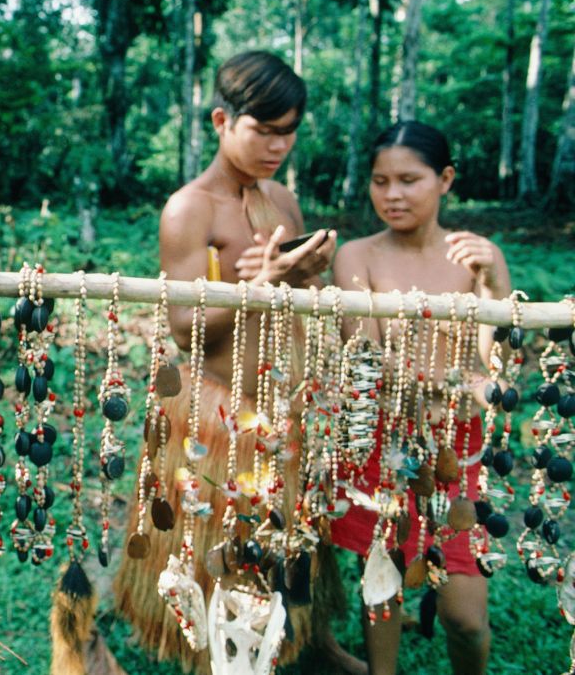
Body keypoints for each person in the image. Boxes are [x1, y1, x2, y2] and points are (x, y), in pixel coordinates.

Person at [112, 50, 342, 673]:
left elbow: (303, 300)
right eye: (262, 130)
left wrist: (309, 274)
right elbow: (184, 330)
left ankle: (308, 640)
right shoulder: (191, 208)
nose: (277, 146)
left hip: (280, 396)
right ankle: (217, 651)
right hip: (214, 403)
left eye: (288, 131)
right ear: (221, 120)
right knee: (219, 542)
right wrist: (263, 281)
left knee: (291, 533)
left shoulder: (283, 199)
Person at [330, 120, 511, 675]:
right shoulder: (356, 256)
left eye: (409, 180)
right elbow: (368, 359)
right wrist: (460, 381)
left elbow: (497, 370)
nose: (392, 195)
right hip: (384, 443)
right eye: (380, 181)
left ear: (446, 179)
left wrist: (495, 284)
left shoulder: (474, 258)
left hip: (458, 449)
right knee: (381, 584)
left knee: (466, 619)